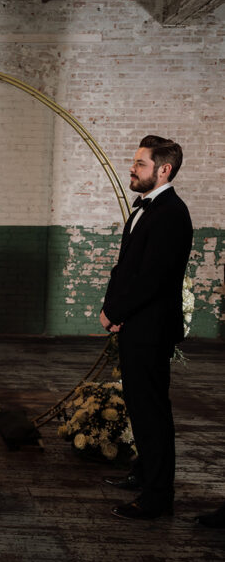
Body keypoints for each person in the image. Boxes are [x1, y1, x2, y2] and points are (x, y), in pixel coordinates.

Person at [100, 135, 192, 520]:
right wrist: (111, 307)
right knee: (139, 405)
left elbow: (152, 279)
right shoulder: (147, 208)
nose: (132, 169)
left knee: (152, 409)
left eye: (140, 164)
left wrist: (115, 312)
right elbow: (125, 268)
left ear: (163, 169)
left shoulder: (171, 213)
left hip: (151, 329)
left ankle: (158, 495)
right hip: (135, 324)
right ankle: (143, 472)